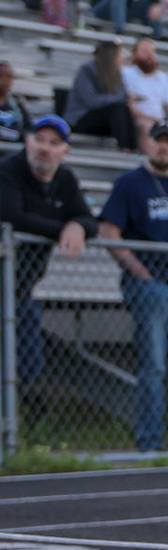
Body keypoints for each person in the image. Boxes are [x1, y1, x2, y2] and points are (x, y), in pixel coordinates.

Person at [98, 120, 168, 453]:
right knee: (154, 365)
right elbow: (109, 233)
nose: (164, 146)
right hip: (152, 286)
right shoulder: (130, 184)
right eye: (158, 140)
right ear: (148, 144)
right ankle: (150, 441)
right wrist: (138, 270)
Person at [0, 116, 96, 390]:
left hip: (23, 286)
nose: (44, 148)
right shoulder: (8, 169)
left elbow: (89, 220)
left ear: (65, 151)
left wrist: (77, 225)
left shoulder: (64, 178)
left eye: (54, 143)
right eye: (39, 139)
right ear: (27, 141)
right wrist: (63, 228)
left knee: (29, 361)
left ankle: (13, 423)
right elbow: (12, 216)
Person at [124, 38, 168, 157]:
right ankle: (149, 158)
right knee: (147, 126)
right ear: (135, 54)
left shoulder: (162, 78)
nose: (149, 56)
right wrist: (153, 120)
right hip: (138, 119)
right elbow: (129, 106)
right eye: (145, 52)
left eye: (152, 52)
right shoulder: (126, 74)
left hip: (159, 121)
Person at [64, 41, 137, 150]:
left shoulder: (116, 74)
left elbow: (122, 95)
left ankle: (132, 148)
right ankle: (125, 148)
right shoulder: (86, 70)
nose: (123, 58)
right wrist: (120, 97)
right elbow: (92, 101)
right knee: (117, 109)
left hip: (104, 119)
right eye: (120, 54)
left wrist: (122, 98)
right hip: (81, 118)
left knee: (124, 110)